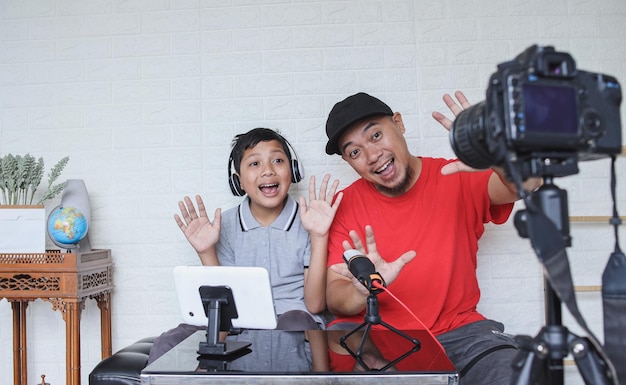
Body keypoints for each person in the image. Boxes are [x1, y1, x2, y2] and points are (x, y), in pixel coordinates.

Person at [323, 92, 541, 385]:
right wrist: (363, 290)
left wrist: (501, 156)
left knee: (515, 372)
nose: (372, 156)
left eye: (375, 135)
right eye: (354, 152)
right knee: (339, 346)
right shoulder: (344, 203)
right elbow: (335, 297)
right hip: (378, 336)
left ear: (398, 123)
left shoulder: (456, 174)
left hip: (461, 334)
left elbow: (528, 183)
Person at [147, 128, 342, 364]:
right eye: (255, 164)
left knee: (291, 323)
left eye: (278, 160)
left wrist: (318, 236)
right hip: (239, 323)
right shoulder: (225, 225)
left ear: (293, 170)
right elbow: (223, 304)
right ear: (238, 180)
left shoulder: (310, 220)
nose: (268, 170)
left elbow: (315, 304)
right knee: (169, 341)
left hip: (296, 325)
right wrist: (206, 251)